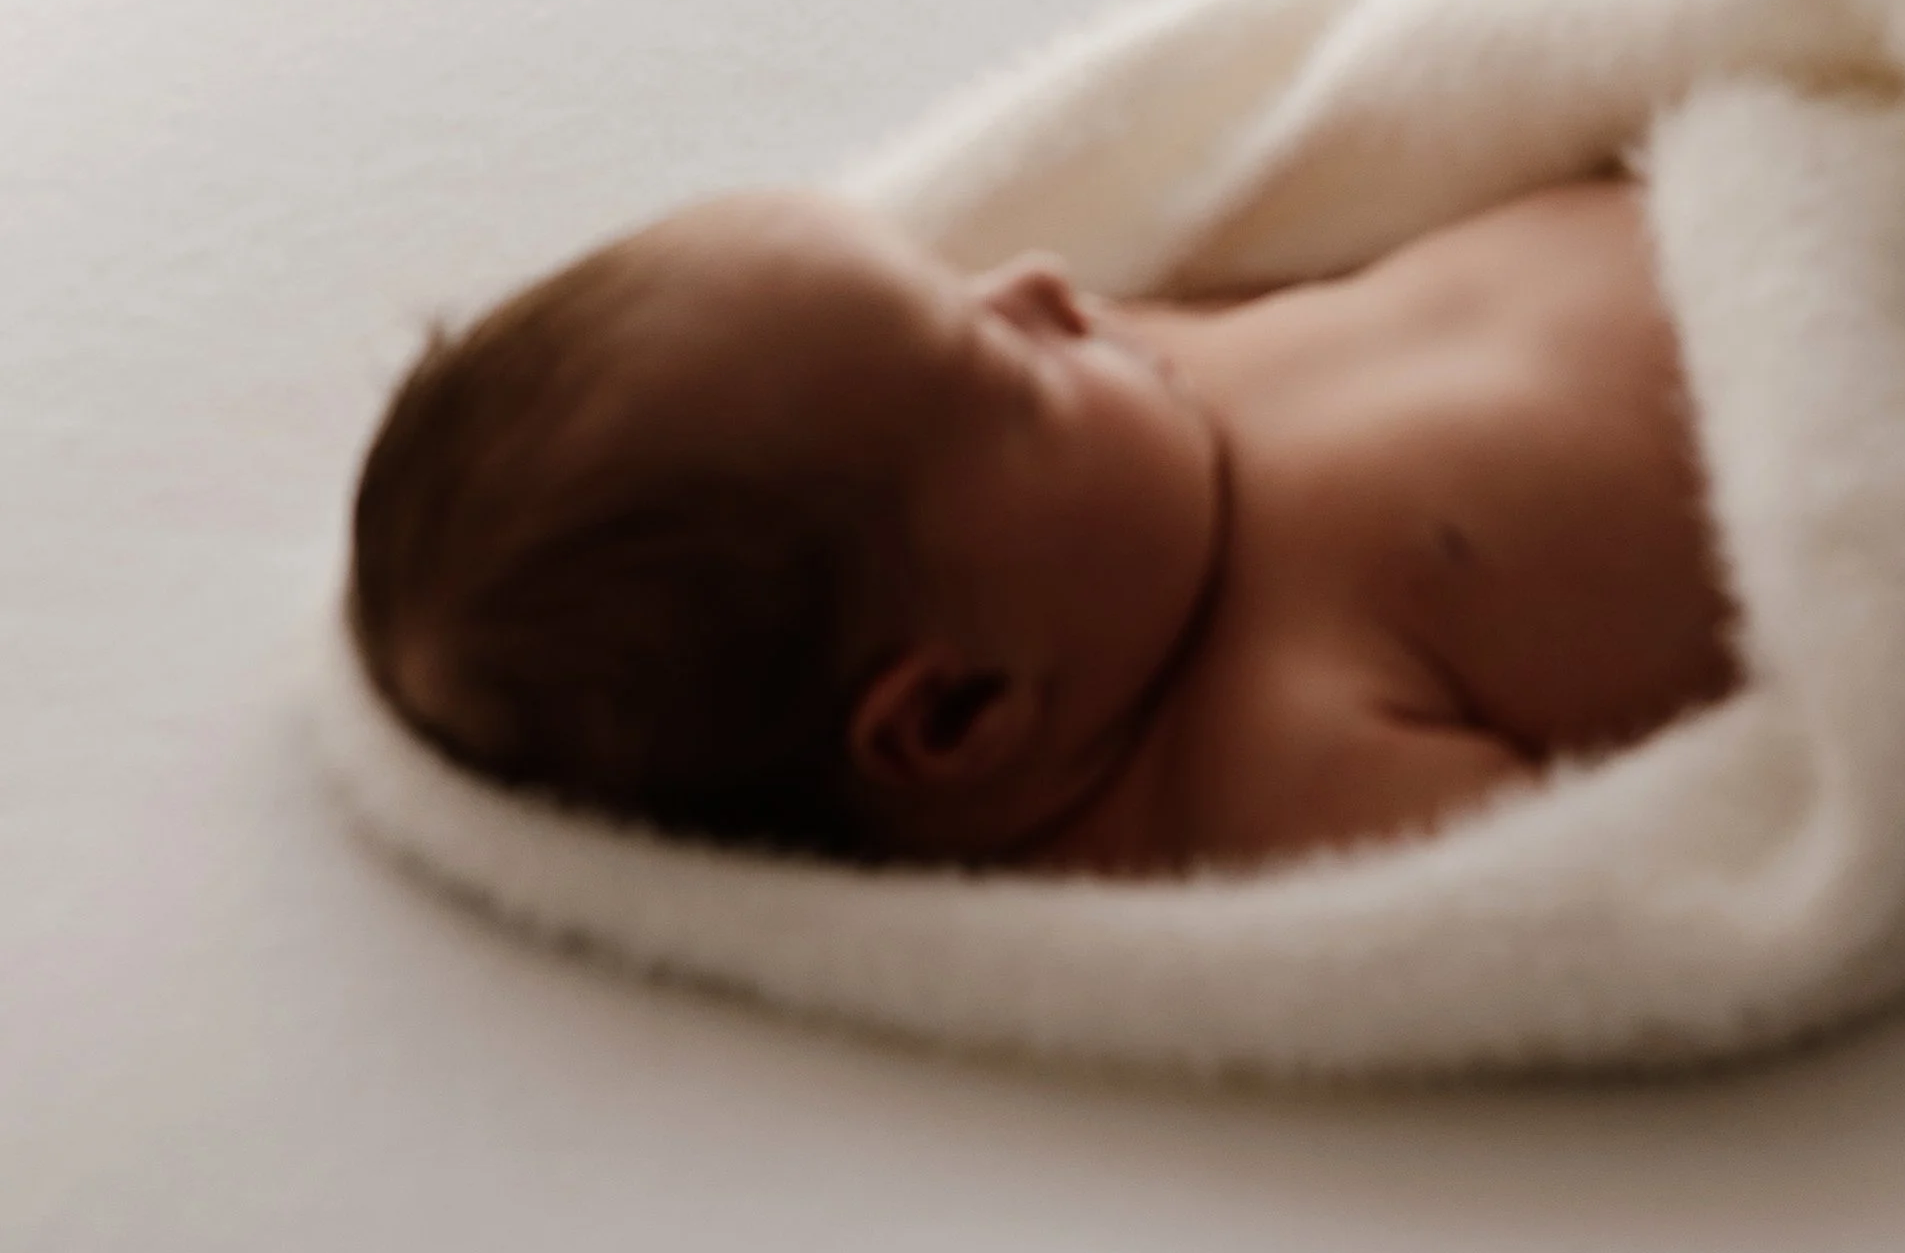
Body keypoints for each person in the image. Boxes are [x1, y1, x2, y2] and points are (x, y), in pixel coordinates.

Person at [350, 177, 1740, 876]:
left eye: (965, 284)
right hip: (1872, 381)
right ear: (959, 713)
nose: (1043, 284)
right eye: (1004, 367)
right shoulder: (1274, 759)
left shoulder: (1112, 450)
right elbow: (1631, 881)